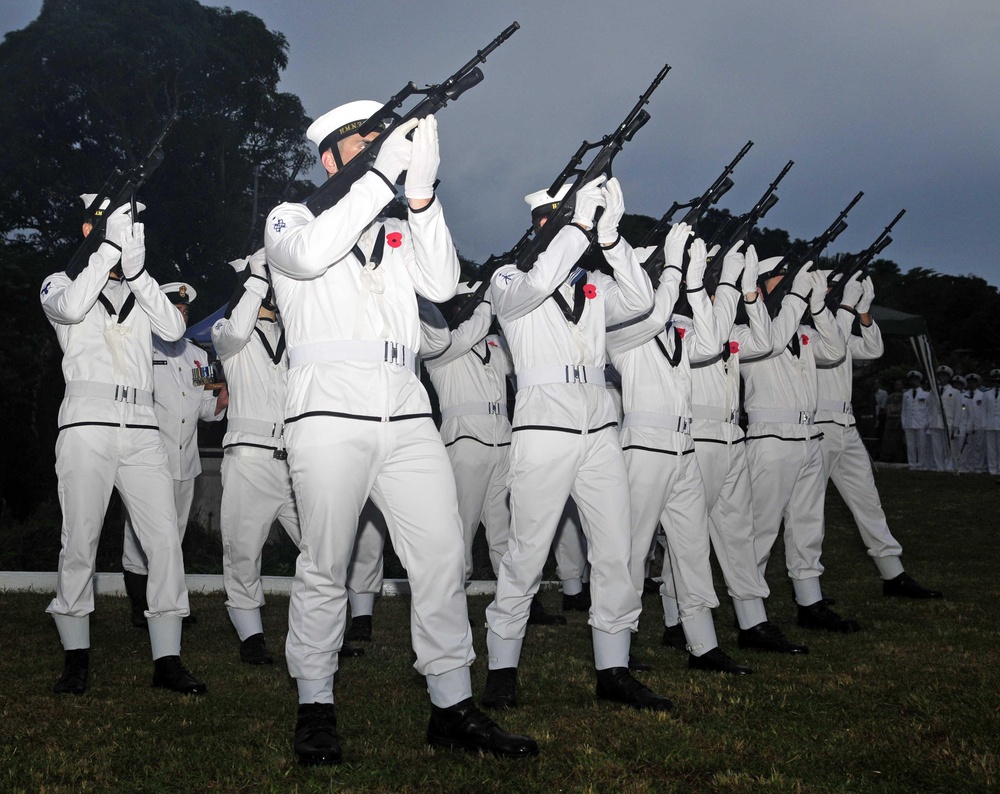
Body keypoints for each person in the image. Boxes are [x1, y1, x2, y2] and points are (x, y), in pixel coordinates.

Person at [264, 100, 536, 764]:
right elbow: (308, 256)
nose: (378, 152)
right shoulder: (290, 218)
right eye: (362, 145)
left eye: (380, 144)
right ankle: (316, 705)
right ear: (330, 158)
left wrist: (420, 198)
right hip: (328, 412)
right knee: (326, 563)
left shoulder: (391, 224)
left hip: (406, 410)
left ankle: (452, 706)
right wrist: (380, 181)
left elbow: (443, 282)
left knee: (443, 557)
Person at [482, 175, 671, 712]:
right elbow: (538, 285)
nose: (576, 230)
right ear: (543, 224)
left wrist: (611, 237)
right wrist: (574, 227)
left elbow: (640, 298)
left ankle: (613, 667)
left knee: (615, 551)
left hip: (599, 430)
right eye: (564, 220)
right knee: (526, 553)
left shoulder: (592, 284)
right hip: (544, 429)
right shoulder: (509, 278)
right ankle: (502, 667)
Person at [40, 195, 204, 695]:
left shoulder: (139, 282)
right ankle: (76, 659)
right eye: (113, 225)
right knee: (81, 541)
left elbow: (174, 328)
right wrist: (104, 253)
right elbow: (68, 309)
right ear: (90, 227)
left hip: (141, 424)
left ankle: (168, 660)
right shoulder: (61, 281)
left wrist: (135, 270)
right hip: (87, 421)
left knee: (163, 542)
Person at [606, 224, 754, 674]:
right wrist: (670, 271)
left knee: (691, 548)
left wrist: (694, 282)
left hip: (683, 446)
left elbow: (711, 344)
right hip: (644, 447)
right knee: (631, 552)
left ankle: (703, 646)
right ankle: (618, 649)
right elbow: (650, 315)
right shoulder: (619, 323)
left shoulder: (679, 324)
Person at [682, 241, 808, 654]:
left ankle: (753, 622)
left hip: (732, 438)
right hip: (696, 438)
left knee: (739, 533)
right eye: (730, 283)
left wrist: (752, 296)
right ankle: (677, 620)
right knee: (688, 537)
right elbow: (705, 341)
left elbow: (766, 342)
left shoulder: (733, 332)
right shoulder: (680, 324)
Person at [741, 258, 860, 632]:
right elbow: (770, 343)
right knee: (760, 530)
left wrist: (821, 306)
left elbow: (836, 351)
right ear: (761, 286)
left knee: (809, 525)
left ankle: (810, 602)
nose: (797, 283)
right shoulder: (746, 329)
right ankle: (750, 612)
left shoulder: (803, 331)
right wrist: (790, 299)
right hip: (771, 437)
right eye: (785, 278)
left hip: (809, 436)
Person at [816, 273, 942, 598]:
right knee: (800, 509)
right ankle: (801, 589)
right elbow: (831, 347)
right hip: (814, 426)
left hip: (844, 424)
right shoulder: (804, 329)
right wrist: (845, 306)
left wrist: (864, 313)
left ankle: (893, 574)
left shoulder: (838, 327)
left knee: (868, 501)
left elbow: (873, 349)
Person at [210, 248, 303, 664]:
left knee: (322, 546)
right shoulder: (228, 334)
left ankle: (321, 630)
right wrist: (255, 277)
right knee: (244, 550)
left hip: (296, 460)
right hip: (250, 458)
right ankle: (251, 638)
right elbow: (236, 328)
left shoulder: (294, 337)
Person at [121, 280, 227, 626]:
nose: (181, 315)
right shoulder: (142, 349)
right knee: (139, 538)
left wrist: (222, 399)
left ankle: (170, 605)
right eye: (175, 310)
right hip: (148, 458)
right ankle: (140, 607)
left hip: (186, 463)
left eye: (184, 311)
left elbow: (203, 408)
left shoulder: (198, 356)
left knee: (174, 535)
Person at [901, 370, 929, 470]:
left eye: (916, 380)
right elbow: (904, 410)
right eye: (912, 380)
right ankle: (912, 464)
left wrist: (926, 423)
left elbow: (928, 410)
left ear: (919, 381)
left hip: (921, 423)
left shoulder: (926, 394)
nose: (914, 382)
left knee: (921, 445)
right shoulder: (906, 394)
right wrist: (904, 424)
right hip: (909, 423)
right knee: (910, 445)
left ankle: (921, 464)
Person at [984, 369, 1000, 475]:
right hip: (990, 424)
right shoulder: (987, 394)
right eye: (995, 381)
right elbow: (983, 411)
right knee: (991, 449)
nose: (997, 383)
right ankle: (992, 469)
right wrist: (984, 424)